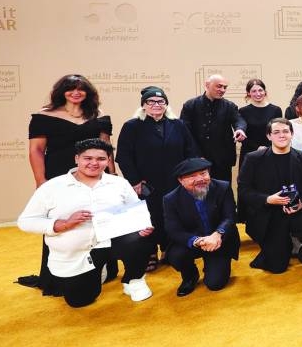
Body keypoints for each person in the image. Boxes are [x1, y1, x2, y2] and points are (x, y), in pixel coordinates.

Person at [17, 138, 153, 307]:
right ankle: (97, 271)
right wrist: (63, 224)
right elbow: (25, 221)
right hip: (78, 253)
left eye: (101, 159)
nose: (94, 163)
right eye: (88, 158)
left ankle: (134, 280)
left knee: (141, 239)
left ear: (108, 160)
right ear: (77, 159)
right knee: (79, 300)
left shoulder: (119, 184)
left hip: (111, 243)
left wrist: (142, 227)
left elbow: (135, 212)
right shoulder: (52, 187)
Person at [22, 74, 114, 295]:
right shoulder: (44, 116)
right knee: (62, 222)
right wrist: (41, 181)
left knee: (97, 219)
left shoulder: (98, 116)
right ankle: (56, 276)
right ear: (61, 91)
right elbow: (36, 151)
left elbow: (107, 149)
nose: (76, 92)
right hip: (57, 176)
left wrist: (113, 176)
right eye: (70, 88)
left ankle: (103, 269)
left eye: (81, 89)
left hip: (93, 175)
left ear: (87, 93)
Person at [115, 86, 199, 271]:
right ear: (143, 105)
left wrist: (189, 177)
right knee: (149, 218)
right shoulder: (132, 126)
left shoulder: (178, 125)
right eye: (151, 101)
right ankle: (149, 252)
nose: (156, 105)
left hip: (175, 182)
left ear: (166, 105)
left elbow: (191, 152)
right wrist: (135, 181)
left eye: (161, 101)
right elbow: (124, 156)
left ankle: (169, 249)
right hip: (147, 184)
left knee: (172, 215)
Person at [238, 118, 302, 273]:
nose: (281, 135)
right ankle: (274, 251)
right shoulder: (253, 159)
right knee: (277, 268)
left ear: (292, 134)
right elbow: (244, 190)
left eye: (285, 131)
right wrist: (268, 199)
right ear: (269, 136)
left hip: (298, 209)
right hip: (270, 212)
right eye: (276, 132)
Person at [162, 157, 240, 296]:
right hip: (193, 241)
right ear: (181, 180)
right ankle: (190, 275)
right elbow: (173, 229)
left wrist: (217, 234)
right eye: (192, 176)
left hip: (218, 240)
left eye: (203, 173)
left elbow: (229, 217)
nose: (200, 179)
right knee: (176, 256)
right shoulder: (171, 199)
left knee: (215, 284)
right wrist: (198, 241)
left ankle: (212, 266)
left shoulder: (222, 187)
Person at [180, 74, 247, 183]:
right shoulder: (190, 105)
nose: (222, 90)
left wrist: (240, 129)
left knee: (223, 191)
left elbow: (238, 120)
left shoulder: (229, 106)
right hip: (198, 158)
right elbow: (185, 131)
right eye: (219, 86)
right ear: (207, 85)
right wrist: (196, 155)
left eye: (225, 87)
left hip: (222, 160)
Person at [238, 79, 283, 167]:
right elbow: (243, 136)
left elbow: (278, 133)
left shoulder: (276, 110)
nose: (258, 94)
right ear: (248, 93)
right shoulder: (243, 111)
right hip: (249, 153)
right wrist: (257, 148)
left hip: (271, 152)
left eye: (260, 90)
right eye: (254, 91)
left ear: (265, 91)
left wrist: (266, 148)